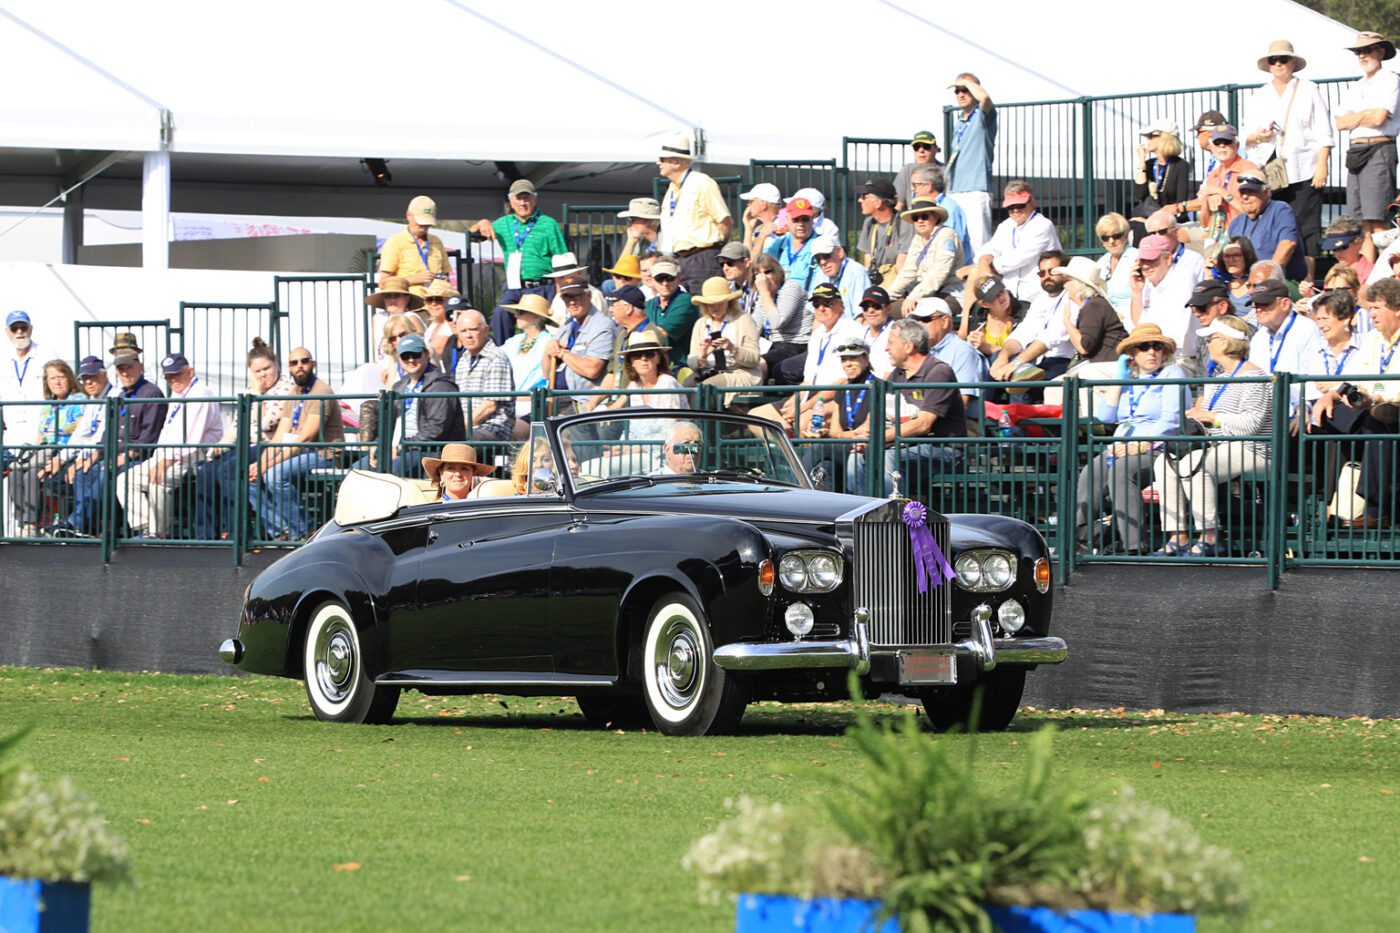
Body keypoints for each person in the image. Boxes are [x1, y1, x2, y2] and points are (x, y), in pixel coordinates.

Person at [1152, 316, 1273, 557]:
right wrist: (1197, 417)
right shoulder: (1217, 379)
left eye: (1213, 338)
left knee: (1193, 465)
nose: (1208, 343)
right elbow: (1207, 418)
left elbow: (1251, 425)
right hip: (1221, 446)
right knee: (1165, 462)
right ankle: (1178, 535)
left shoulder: (1254, 377)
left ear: (1227, 342)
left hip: (1255, 449)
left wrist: (1212, 417)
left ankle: (1209, 537)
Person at [1074, 325, 1185, 555]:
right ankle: (1083, 539)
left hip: (1156, 448)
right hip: (1120, 448)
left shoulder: (1172, 374)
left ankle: (1134, 547)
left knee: (1122, 472)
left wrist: (1139, 445)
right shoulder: (1127, 379)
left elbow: (1171, 421)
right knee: (1090, 473)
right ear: (1133, 353)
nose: (1152, 352)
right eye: (1145, 347)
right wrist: (1119, 379)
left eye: (1158, 347)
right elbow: (1105, 417)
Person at [1312, 279, 1400, 528]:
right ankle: (1329, 502)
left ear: (1397, 309)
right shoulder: (1373, 338)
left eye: (1377, 308)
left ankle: (1375, 509)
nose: (1371, 314)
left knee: (1377, 423)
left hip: (1393, 407)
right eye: (1369, 308)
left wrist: (1379, 396)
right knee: (1322, 418)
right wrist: (1331, 396)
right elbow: (1353, 378)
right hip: (1372, 408)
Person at [1242, 41, 1333, 279]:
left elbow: (1324, 131)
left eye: (1283, 59)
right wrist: (1259, 136)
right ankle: (1273, 278)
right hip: (1269, 167)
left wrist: (1322, 166)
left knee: (1306, 226)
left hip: (1304, 167)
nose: (1279, 64)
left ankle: (1307, 282)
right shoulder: (1259, 95)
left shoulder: (1309, 89)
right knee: (1273, 224)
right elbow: (1246, 135)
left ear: (1293, 62)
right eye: (1274, 60)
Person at [848, 319, 967, 497]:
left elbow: (923, 423)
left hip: (943, 449)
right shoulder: (897, 374)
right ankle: (862, 514)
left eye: (891, 343)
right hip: (907, 445)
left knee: (888, 457)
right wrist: (864, 434)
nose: (886, 348)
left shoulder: (939, 371)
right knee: (856, 456)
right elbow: (877, 413)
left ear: (909, 346)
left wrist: (876, 439)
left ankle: (893, 518)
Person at [192, 337, 295, 541]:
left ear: (276, 365)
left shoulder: (286, 388)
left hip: (270, 444)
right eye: (258, 371)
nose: (264, 375)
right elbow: (237, 427)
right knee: (206, 471)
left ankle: (236, 532)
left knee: (228, 470)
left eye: (267, 368)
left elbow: (267, 423)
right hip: (247, 444)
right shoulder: (249, 392)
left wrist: (258, 394)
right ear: (251, 373)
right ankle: (204, 536)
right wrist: (220, 446)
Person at [117, 353, 223, 539]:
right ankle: (146, 527)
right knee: (125, 480)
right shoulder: (178, 392)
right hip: (169, 456)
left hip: (194, 458)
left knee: (158, 481)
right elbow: (167, 432)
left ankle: (156, 533)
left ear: (190, 371)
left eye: (177, 374)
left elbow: (191, 440)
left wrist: (163, 462)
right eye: (168, 376)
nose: (173, 380)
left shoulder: (200, 393)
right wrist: (158, 459)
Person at [62, 349, 167, 536]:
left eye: (129, 368)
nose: (125, 373)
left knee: (105, 475)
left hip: (137, 459)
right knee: (83, 473)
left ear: (140, 367)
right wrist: (92, 458)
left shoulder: (152, 393)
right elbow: (107, 434)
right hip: (113, 455)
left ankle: (76, 524)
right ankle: (86, 526)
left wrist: (120, 459)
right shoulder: (120, 396)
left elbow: (148, 439)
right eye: (121, 369)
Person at [249, 348, 345, 540]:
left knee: (274, 474)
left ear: (313, 363)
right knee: (250, 478)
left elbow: (306, 438)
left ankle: (304, 531)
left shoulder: (321, 391)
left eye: (304, 361)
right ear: (289, 368)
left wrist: (268, 464)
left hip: (323, 455)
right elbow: (279, 436)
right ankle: (281, 530)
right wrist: (261, 462)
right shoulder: (293, 393)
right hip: (300, 452)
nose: (299, 366)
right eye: (294, 363)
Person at [472, 179, 568, 347]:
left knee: (545, 326)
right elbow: (471, 237)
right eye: (519, 198)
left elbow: (562, 257)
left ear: (535, 200)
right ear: (511, 201)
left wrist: (561, 289)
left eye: (527, 198)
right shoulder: (503, 224)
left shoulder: (548, 224)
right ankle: (502, 355)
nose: (523, 203)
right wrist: (482, 222)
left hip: (542, 286)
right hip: (514, 286)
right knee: (501, 315)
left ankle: (545, 356)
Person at [1335, 32, 1400, 264]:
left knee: (1379, 220)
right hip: (1357, 151)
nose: (1362, 55)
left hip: (1378, 148)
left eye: (1367, 50)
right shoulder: (1357, 85)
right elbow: (1340, 122)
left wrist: (1356, 117)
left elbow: (1380, 118)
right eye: (1358, 52)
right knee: (1361, 221)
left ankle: (1387, 273)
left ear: (1381, 52)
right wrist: (1366, 115)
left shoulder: (1390, 79)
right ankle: (1369, 275)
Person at [365, 333, 466, 476]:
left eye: (416, 354)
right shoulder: (399, 386)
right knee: (358, 471)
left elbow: (437, 427)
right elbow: (388, 424)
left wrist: (403, 446)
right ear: (399, 359)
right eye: (405, 356)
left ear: (426, 354)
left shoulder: (441, 385)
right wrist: (379, 445)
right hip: (400, 448)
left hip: (428, 451)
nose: (411, 360)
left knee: (391, 473)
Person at [8, 360, 84, 536]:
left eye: (61, 377)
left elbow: (80, 427)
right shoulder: (49, 405)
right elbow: (41, 434)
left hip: (67, 453)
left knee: (33, 475)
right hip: (45, 453)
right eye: (52, 378)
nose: (57, 382)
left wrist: (59, 430)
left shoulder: (78, 400)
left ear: (69, 378)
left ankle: (32, 524)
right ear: (47, 382)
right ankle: (22, 523)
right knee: (15, 474)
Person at [655, 131, 732, 294]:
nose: (658, 163)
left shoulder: (701, 183)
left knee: (706, 308)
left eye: (662, 159)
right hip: (681, 260)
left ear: (675, 162)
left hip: (703, 258)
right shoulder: (672, 189)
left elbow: (724, 221)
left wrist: (714, 251)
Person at [988, 251, 1076, 386]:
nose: (1047, 276)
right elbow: (1025, 330)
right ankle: (987, 406)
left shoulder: (1073, 296)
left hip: (1063, 361)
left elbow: (1050, 337)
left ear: (1065, 273)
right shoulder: (1042, 298)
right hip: (1039, 360)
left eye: (1052, 272)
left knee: (1021, 378)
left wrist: (1015, 363)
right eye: (1042, 273)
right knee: (996, 359)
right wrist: (1003, 355)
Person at [969, 181, 1062, 301]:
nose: (1016, 210)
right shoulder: (1005, 225)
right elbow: (991, 247)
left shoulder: (1043, 225)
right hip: (1012, 293)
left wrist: (988, 267)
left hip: (1040, 292)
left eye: (1020, 205)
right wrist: (984, 261)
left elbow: (1018, 258)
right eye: (1011, 207)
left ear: (1031, 202)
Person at [1246, 279, 1323, 417]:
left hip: (1300, 412)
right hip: (1266, 412)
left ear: (1285, 304)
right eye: (1256, 304)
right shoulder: (1259, 337)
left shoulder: (1306, 329)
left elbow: (1314, 377)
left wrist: (1304, 407)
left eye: (1265, 304)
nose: (1259, 309)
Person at [544, 274, 616, 419]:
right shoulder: (566, 325)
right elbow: (546, 374)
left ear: (588, 296)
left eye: (576, 296)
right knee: (521, 429)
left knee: (548, 435)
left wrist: (563, 353)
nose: (571, 302)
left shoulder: (602, 326)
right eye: (566, 298)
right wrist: (548, 351)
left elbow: (592, 369)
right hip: (554, 398)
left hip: (580, 401)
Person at [1130, 234, 1203, 375]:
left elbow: (1177, 329)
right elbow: (1138, 325)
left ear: (1168, 258)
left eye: (1151, 260)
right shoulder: (1145, 284)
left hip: (1181, 358)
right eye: (1142, 261)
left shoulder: (1184, 277)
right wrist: (1136, 292)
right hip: (1153, 354)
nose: (1145, 266)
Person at [54, 357, 112, 534]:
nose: (89, 382)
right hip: (90, 455)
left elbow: (102, 436)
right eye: (85, 378)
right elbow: (80, 434)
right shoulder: (93, 400)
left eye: (93, 377)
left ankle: (78, 525)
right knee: (55, 476)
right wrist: (61, 458)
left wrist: (80, 460)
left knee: (85, 473)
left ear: (105, 376)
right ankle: (75, 524)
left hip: (107, 455)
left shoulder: (113, 397)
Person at [1184, 125, 1259, 253]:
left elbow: (1251, 212)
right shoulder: (1213, 174)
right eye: (1217, 142)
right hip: (1215, 236)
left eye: (1227, 142)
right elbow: (1204, 222)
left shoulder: (1249, 170)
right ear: (1211, 146)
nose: (1222, 146)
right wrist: (1207, 201)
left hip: (1241, 236)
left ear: (1236, 145)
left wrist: (1221, 192)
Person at [945, 72, 997, 250]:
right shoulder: (959, 121)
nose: (961, 94)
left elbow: (985, 98)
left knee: (978, 244)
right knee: (956, 242)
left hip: (976, 189)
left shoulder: (984, 115)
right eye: (957, 91)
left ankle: (982, 278)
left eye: (965, 90)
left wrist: (970, 84)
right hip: (955, 189)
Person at [886, 198, 962, 315]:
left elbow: (939, 274)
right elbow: (908, 272)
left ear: (936, 217)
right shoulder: (917, 239)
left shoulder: (947, 235)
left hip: (949, 293)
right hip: (925, 294)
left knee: (901, 311)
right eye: (915, 218)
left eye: (925, 216)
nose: (920, 221)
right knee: (884, 309)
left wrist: (914, 297)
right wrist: (885, 297)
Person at [1227, 172, 1307, 282]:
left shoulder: (1280, 210)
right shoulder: (1236, 223)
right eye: (1242, 193)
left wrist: (1268, 277)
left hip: (1281, 282)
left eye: (1251, 192)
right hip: (1245, 284)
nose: (1245, 197)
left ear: (1266, 192)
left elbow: (1288, 244)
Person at [915, 297, 988, 415]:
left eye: (925, 319)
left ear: (945, 321)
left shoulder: (963, 351)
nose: (919, 325)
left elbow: (961, 404)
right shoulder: (918, 351)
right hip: (924, 420)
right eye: (916, 320)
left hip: (961, 426)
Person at [452, 309, 516, 442]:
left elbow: (490, 405)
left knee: (457, 442)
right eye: (463, 331)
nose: (468, 335)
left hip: (493, 429)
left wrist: (458, 429)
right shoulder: (463, 360)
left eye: (474, 329)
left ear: (486, 330)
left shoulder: (497, 358)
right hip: (468, 429)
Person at [687, 277, 762, 389]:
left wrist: (732, 348)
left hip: (738, 373)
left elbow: (754, 359)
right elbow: (692, 361)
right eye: (711, 303)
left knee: (706, 388)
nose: (715, 307)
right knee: (683, 388)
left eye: (720, 302)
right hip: (707, 372)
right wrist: (702, 356)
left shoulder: (744, 320)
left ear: (729, 302)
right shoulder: (700, 324)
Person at [593, 329, 689, 416]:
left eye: (649, 354)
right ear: (631, 362)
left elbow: (670, 422)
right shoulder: (635, 385)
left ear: (659, 358)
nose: (643, 358)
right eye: (637, 355)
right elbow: (614, 408)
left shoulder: (667, 383)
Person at [749, 254, 811, 380]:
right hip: (775, 345)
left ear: (777, 272)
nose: (764, 279)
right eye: (758, 274)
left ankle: (760, 398)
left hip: (797, 344)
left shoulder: (790, 288)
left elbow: (778, 322)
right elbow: (754, 328)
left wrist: (765, 293)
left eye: (768, 272)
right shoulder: (764, 296)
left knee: (761, 364)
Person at [1058, 257, 1128, 366]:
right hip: (1102, 366)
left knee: (1054, 383)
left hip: (1107, 368)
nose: (1064, 285)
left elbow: (1084, 347)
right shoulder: (1093, 304)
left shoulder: (1094, 305)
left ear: (1078, 284)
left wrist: (1066, 322)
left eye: (1067, 280)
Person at [1305, 290, 1365, 414]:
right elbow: (1308, 388)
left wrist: (1336, 387)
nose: (1321, 325)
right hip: (1316, 411)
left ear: (1345, 319)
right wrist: (1303, 412)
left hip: (1353, 410)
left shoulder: (1366, 344)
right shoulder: (1313, 348)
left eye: (1326, 319)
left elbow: (1366, 383)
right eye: (1318, 319)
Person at [1, 310, 53, 452]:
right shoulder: (2, 358)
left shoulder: (47, 355)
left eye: (23, 327)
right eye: (14, 328)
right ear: (7, 332)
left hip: (39, 433)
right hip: (10, 436)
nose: (19, 332)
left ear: (31, 329)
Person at [378, 195, 450, 297]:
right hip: (409, 306)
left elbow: (447, 277)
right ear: (408, 215)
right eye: (420, 221)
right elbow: (383, 283)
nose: (424, 226)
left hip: (435, 304)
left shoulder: (437, 242)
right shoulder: (395, 242)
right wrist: (413, 279)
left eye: (427, 222)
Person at [1131, 118, 1193, 233]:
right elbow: (1140, 194)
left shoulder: (1180, 165)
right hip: (1150, 218)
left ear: (1165, 138)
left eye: (1152, 135)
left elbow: (1181, 201)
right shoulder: (1149, 164)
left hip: (1172, 221)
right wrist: (1141, 162)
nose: (1147, 139)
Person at [912, 164, 973, 266]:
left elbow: (951, 247)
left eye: (915, 185)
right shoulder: (935, 206)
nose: (913, 189)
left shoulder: (949, 209)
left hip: (952, 272)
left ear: (928, 186)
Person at [855, 178, 910, 287]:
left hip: (896, 285)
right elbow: (868, 262)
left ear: (878, 202)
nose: (859, 200)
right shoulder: (869, 223)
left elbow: (901, 267)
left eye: (864, 197)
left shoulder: (904, 223)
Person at [644, 257, 698, 359]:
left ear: (678, 278)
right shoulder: (649, 304)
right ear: (652, 280)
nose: (665, 283)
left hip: (681, 367)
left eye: (669, 278)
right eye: (660, 278)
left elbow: (661, 334)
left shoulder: (686, 301)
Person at [1184, 280, 1240, 376]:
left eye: (1201, 307)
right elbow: (1202, 380)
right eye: (1194, 308)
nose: (1197, 314)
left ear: (1222, 306)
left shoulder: (1244, 334)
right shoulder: (1202, 337)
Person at [764, 196, 820, 290]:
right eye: (795, 220)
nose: (801, 224)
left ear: (812, 220)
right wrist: (761, 237)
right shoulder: (779, 243)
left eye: (805, 219)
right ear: (787, 220)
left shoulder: (820, 245)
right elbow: (756, 266)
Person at [962, 274, 1022, 361]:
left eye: (1001, 291)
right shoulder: (977, 318)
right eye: (994, 296)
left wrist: (988, 347)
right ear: (984, 304)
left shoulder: (1024, 312)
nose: (1001, 297)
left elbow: (1027, 353)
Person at [366, 277, 426, 363]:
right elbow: (376, 347)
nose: (392, 299)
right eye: (388, 296)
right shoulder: (377, 318)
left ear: (407, 298)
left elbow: (420, 347)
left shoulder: (411, 318)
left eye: (397, 295)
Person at [810, 235, 871, 317]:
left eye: (826, 256)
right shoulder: (820, 275)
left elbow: (861, 316)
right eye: (818, 259)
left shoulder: (856, 272)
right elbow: (815, 314)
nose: (822, 262)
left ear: (840, 252)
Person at [1094, 213, 1139, 324]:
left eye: (1116, 236)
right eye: (1105, 238)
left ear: (1125, 236)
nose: (1111, 241)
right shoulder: (1100, 263)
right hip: (1106, 321)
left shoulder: (1136, 258)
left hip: (1131, 321)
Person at [423, 443, 496, 502]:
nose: (458, 474)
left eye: (464, 469)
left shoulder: (482, 509)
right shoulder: (432, 513)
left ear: (473, 474)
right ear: (441, 473)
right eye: (451, 468)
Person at [892, 129, 942, 209]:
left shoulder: (945, 171)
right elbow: (899, 203)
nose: (921, 150)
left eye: (926, 146)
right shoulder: (907, 170)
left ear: (936, 149)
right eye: (916, 147)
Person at [1213, 238, 1260, 315]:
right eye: (1226, 256)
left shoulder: (1257, 283)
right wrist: (1208, 277)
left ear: (1247, 256)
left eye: (1236, 255)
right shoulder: (1220, 282)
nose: (1231, 260)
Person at [857, 287, 896, 377]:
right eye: (865, 307)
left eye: (876, 306)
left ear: (888, 308)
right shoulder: (859, 333)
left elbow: (890, 375)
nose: (870, 311)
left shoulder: (896, 333)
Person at [739, 182, 785, 258]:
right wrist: (748, 229)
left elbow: (753, 261)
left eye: (751, 201)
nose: (748, 204)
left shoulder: (782, 226)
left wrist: (762, 236)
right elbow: (747, 258)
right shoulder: (760, 229)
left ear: (763, 204)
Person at [421, 279, 459, 368]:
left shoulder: (451, 325)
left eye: (439, 300)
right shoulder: (433, 325)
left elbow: (434, 350)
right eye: (429, 300)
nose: (433, 304)